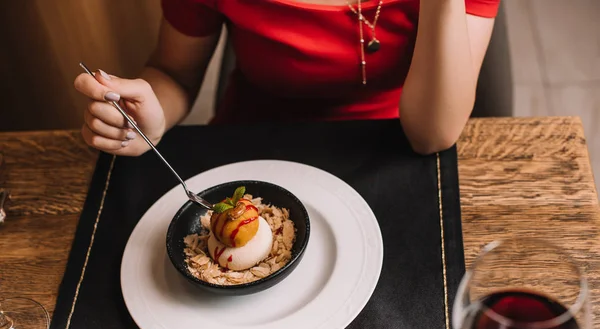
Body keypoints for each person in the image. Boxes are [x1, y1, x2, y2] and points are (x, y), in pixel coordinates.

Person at [74, 0, 501, 156]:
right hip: (253, 145)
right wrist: (152, 114)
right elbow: (173, 74)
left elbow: (432, 137)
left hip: (392, 147)